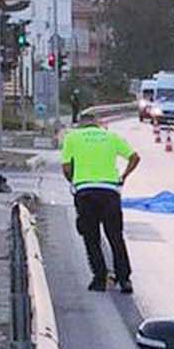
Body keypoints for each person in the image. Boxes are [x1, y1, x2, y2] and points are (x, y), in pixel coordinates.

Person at [60, 117, 141, 293]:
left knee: (91, 237)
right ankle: (124, 279)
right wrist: (123, 176)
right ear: (97, 125)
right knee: (115, 236)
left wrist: (74, 181)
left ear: (81, 125)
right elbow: (135, 157)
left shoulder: (72, 137)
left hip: (85, 192)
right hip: (109, 192)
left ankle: (99, 278)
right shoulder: (111, 137)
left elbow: (66, 168)